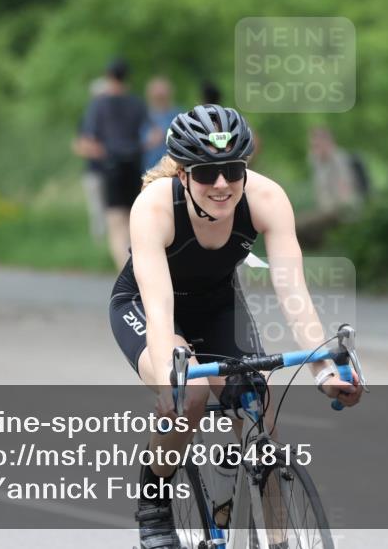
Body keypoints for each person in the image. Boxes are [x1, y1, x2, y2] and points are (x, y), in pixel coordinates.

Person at [109, 104, 362, 548]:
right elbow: (159, 300)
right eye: (207, 174)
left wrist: (325, 369)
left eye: (233, 170)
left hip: (217, 305)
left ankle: (276, 538)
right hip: (148, 306)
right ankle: (154, 503)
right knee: (189, 395)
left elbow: (294, 293)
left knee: (257, 402)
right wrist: (172, 374)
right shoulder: (153, 206)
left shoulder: (267, 199)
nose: (222, 184)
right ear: (184, 174)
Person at [76, 59, 150, 269]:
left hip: (112, 167)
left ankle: (127, 273)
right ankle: (140, 267)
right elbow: (153, 134)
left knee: (116, 225)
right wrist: (138, 147)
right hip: (135, 166)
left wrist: (104, 151)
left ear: (108, 76)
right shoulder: (137, 103)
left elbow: (87, 140)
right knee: (133, 221)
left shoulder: (99, 104)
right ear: (127, 77)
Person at [74, 77, 111, 244]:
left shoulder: (116, 119)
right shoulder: (88, 118)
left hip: (115, 172)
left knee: (115, 213)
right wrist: (101, 151)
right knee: (97, 212)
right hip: (95, 171)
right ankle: (100, 246)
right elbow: (79, 145)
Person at [142, 77, 180, 171]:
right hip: (147, 170)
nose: (159, 96)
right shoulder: (142, 116)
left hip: (172, 171)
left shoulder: (178, 116)